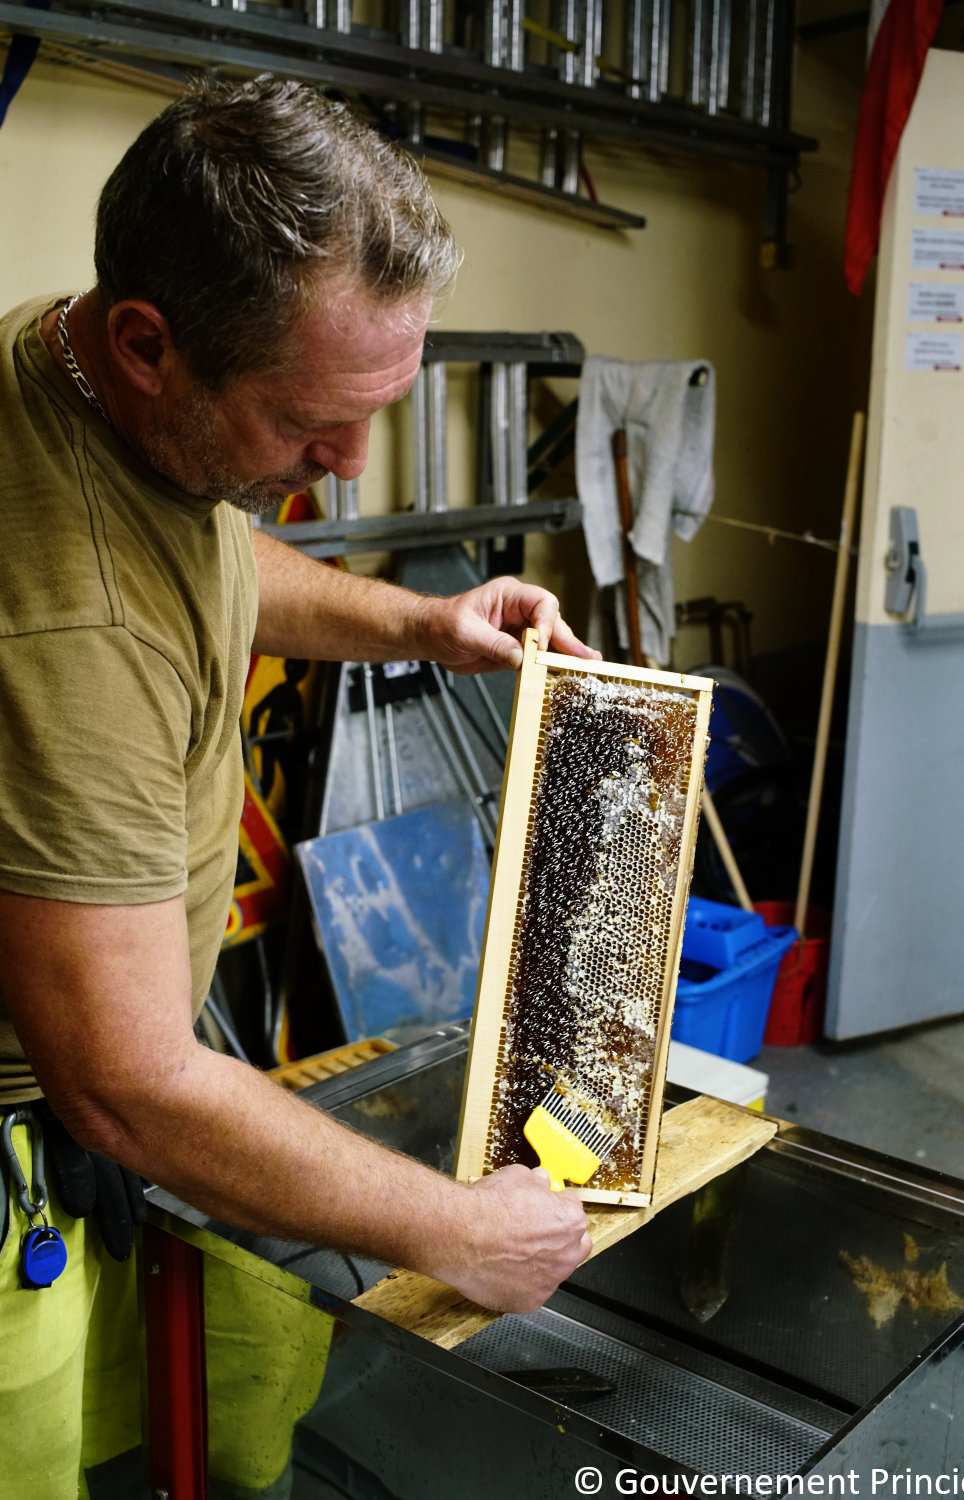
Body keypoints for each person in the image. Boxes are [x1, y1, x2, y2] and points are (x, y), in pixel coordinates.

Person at [0, 75, 595, 1495]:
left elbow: (199, 556)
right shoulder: (59, 623)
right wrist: (451, 1228)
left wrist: (409, 622)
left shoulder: (73, 361)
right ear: (149, 344)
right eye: (310, 424)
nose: (348, 461)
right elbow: (129, 1085)